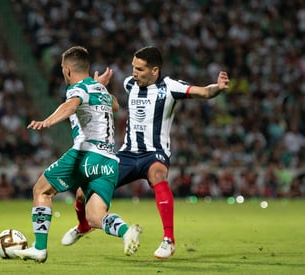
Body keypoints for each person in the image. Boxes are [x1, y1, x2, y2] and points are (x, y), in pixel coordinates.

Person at [61, 46, 230, 259]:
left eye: (140, 69)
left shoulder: (169, 86)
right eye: (133, 67)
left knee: (158, 175)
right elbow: (110, 102)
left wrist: (218, 87)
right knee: (82, 191)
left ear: (154, 70)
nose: (134, 73)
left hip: (154, 154)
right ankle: (83, 225)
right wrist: (97, 87)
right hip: (128, 154)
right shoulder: (129, 84)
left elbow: (204, 92)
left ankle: (168, 240)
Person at [14, 46, 142, 263]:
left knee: (41, 191)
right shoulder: (99, 89)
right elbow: (116, 105)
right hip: (110, 161)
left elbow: (71, 105)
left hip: (86, 154)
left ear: (67, 70)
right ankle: (125, 231)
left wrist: (48, 121)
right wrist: (98, 85)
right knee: (95, 217)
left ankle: (40, 248)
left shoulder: (76, 89)